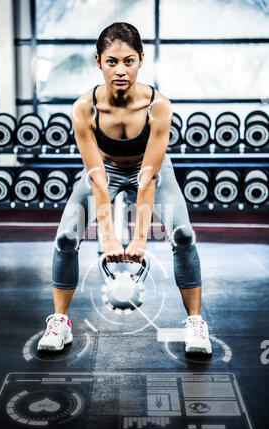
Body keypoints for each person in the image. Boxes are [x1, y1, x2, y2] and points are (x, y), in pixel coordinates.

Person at [37, 22, 212, 355]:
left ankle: (195, 323)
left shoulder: (158, 106)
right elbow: (97, 177)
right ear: (98, 61)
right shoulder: (83, 108)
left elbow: (147, 175)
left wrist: (140, 238)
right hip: (104, 171)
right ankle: (60, 322)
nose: (120, 70)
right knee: (64, 238)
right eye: (112, 61)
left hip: (153, 172)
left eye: (128, 61)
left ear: (142, 59)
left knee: (184, 234)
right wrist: (108, 237)